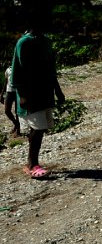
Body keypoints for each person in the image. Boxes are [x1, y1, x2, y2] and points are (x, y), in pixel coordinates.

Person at [10, 9, 65, 179]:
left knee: (40, 128)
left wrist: (58, 90)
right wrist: (22, 94)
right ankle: (32, 164)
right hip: (31, 93)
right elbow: (16, 71)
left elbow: (51, 69)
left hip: (44, 92)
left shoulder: (45, 41)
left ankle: (33, 162)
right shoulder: (24, 43)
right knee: (36, 127)